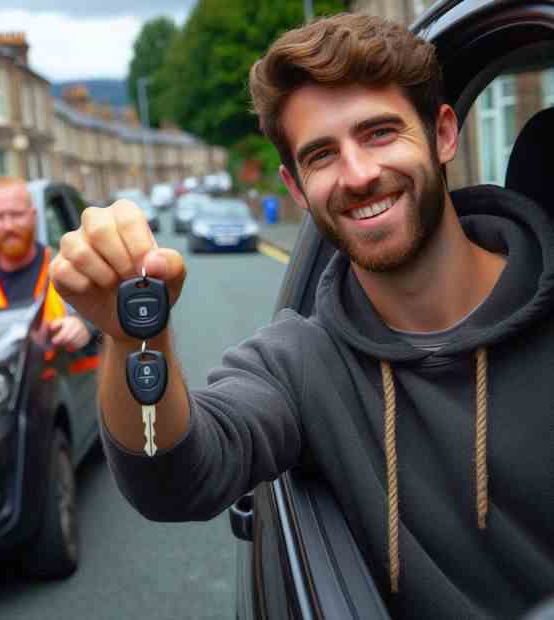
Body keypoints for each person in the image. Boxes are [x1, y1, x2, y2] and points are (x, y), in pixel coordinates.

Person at [50, 13, 554, 620]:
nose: (359, 174)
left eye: (379, 133)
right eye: (322, 155)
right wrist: (133, 334)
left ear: (443, 134)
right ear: (294, 186)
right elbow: (171, 478)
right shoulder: (299, 364)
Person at [0, 176, 92, 352]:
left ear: (33, 216)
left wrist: (85, 329)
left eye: (16, 214)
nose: (8, 226)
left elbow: (113, 327)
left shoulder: (75, 269)